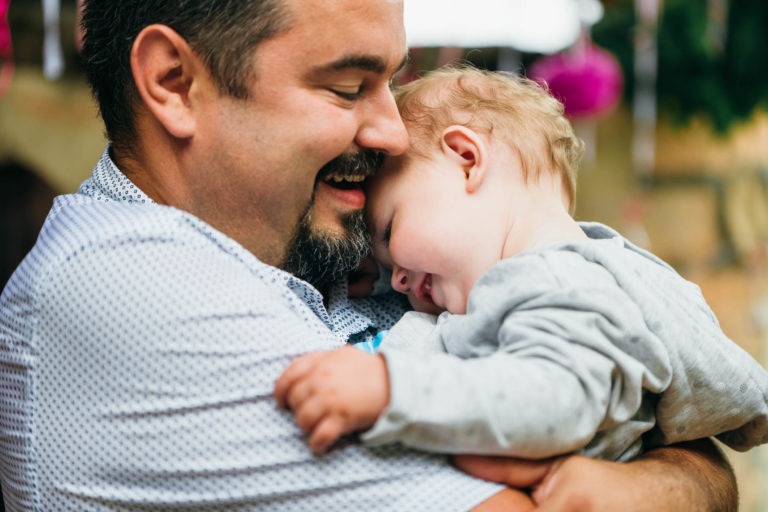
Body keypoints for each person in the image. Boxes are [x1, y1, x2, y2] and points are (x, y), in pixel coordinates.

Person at [0, 1, 738, 510]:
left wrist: (686, 480)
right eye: (349, 86)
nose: (390, 131)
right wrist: (689, 476)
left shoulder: (325, 256)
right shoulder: (132, 287)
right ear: (173, 82)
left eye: (392, 82)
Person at [274, 66, 768, 461]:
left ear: (467, 159)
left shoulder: (559, 284)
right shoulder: (576, 273)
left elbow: (556, 401)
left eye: (388, 232)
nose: (397, 278)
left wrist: (391, 391)